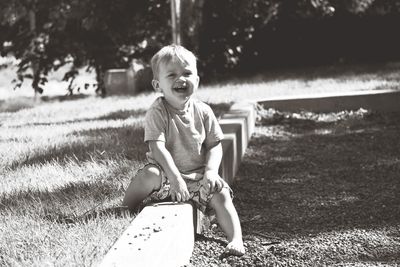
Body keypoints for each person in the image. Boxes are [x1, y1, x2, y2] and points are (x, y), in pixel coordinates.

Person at [122, 44, 245, 256]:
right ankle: (125, 208)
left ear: (196, 80)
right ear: (157, 84)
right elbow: (157, 147)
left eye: (187, 73)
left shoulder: (204, 111)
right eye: (172, 75)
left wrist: (211, 172)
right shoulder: (157, 112)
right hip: (166, 178)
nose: (181, 79)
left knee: (221, 193)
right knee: (148, 174)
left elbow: (215, 145)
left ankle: (236, 240)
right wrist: (175, 177)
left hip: (197, 179)